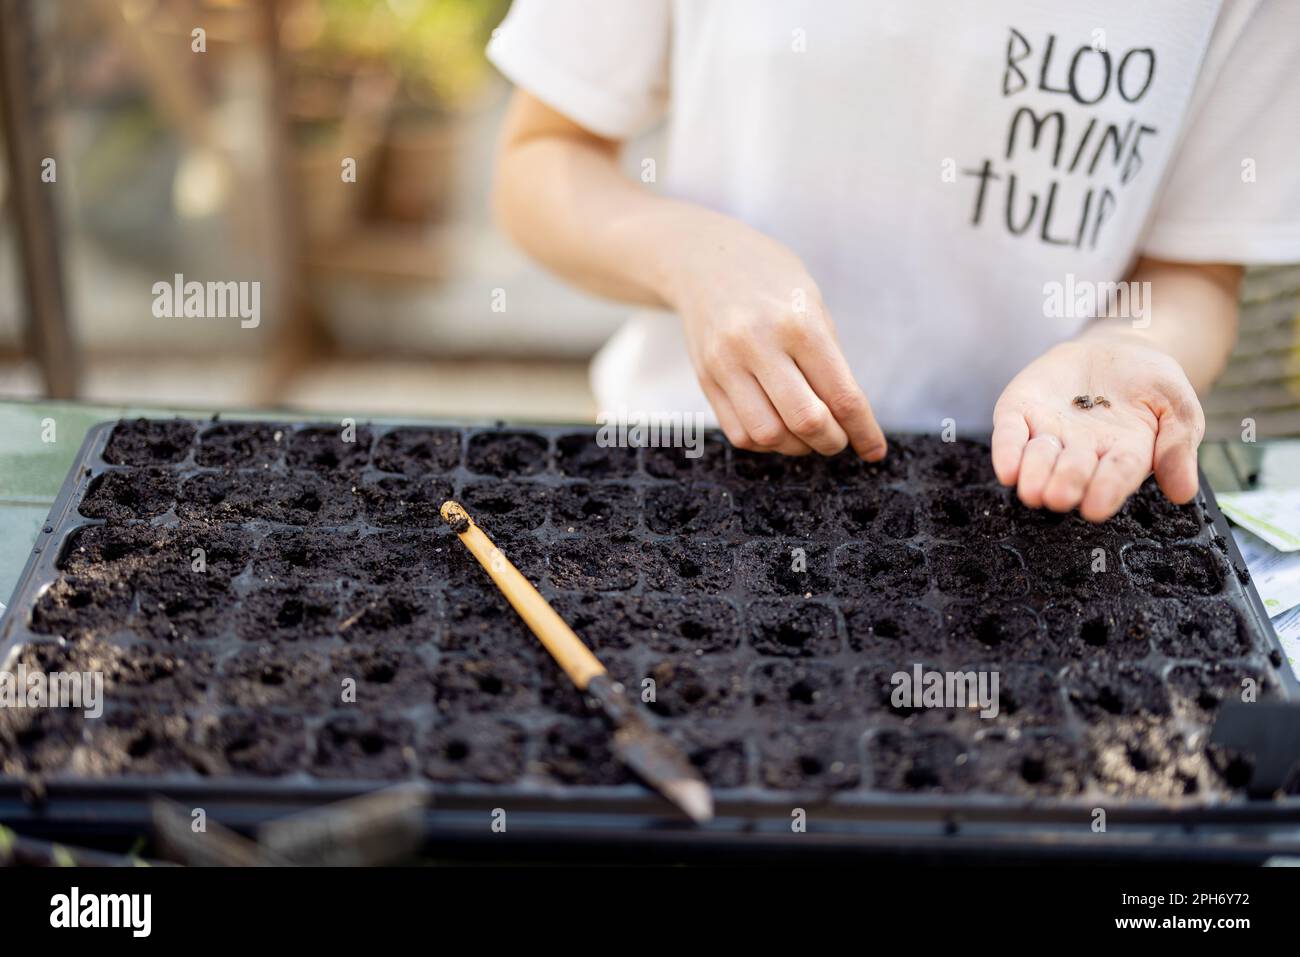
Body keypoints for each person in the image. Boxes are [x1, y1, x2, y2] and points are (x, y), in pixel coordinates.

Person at [487, 0, 1300, 521]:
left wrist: (1130, 350)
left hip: (1026, 511)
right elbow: (542, 159)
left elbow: (1195, 272)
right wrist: (693, 257)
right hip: (685, 469)